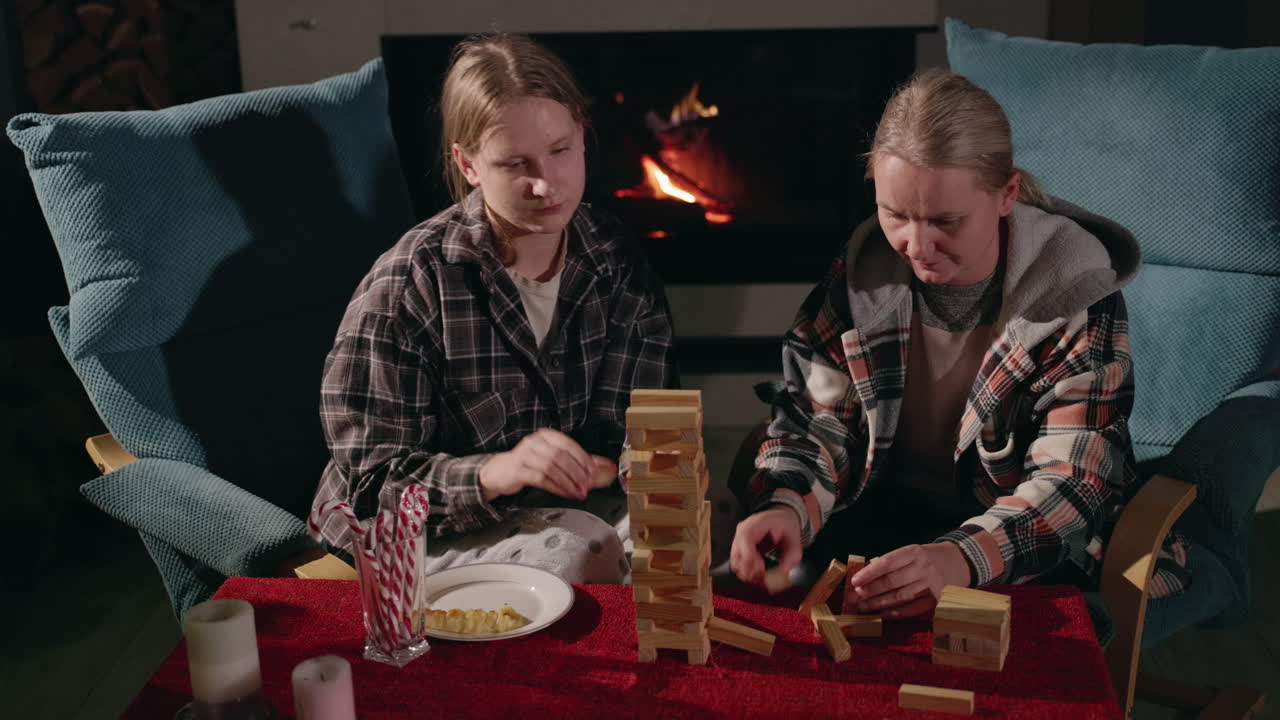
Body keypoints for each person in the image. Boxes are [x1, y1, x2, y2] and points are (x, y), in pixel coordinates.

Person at [729, 69, 1189, 618]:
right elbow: (815, 417)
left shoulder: (1075, 290)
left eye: (946, 220)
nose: (916, 246)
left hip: (1017, 540)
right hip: (887, 516)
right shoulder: (861, 272)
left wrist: (960, 558)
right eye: (895, 214)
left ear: (1007, 194)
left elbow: (1073, 480)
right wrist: (787, 506)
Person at [311, 33, 676, 584]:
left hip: (548, 512)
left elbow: (640, 421)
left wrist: (648, 478)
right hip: (408, 536)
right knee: (580, 552)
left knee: (697, 522)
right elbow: (372, 487)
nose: (545, 183)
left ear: (581, 134)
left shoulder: (614, 259)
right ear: (469, 163)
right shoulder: (411, 284)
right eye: (514, 164)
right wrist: (495, 472)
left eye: (560, 150)